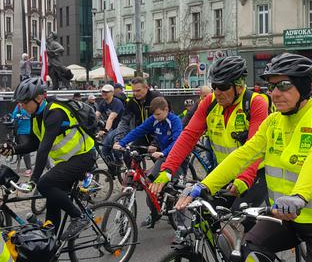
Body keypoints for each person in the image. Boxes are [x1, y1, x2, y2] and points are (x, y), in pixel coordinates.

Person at [175, 53, 312, 262]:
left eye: (284, 85)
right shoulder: (272, 122)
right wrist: (204, 185)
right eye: (271, 87)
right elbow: (243, 155)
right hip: (286, 217)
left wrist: (299, 196)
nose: (275, 94)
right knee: (250, 253)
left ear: (303, 86)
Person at [150, 56, 269, 210]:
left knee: (240, 217)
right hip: (224, 171)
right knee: (203, 213)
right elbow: (188, 136)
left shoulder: (255, 103)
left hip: (255, 173)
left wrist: (244, 178)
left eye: (223, 86)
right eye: (214, 86)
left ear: (239, 86)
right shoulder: (209, 102)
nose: (217, 92)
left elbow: (255, 149)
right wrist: (167, 170)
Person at [1, 78, 97, 239]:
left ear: (38, 98)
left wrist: (34, 180)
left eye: (25, 102)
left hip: (83, 157)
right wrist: (11, 150)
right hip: (66, 161)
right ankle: (50, 242)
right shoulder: (35, 115)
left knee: (45, 184)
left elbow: (44, 149)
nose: (22, 106)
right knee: (53, 199)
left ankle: (79, 216)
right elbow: (33, 144)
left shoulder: (55, 112)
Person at [115, 97, 183, 226]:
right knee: (150, 183)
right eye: (154, 115)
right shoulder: (154, 120)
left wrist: (163, 152)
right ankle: (154, 214)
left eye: (158, 114)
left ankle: (181, 226)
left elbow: (177, 142)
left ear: (166, 109)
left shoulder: (175, 121)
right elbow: (138, 131)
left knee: (174, 189)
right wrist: (122, 143)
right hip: (163, 155)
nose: (155, 117)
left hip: (177, 155)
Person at [113, 78, 165, 149]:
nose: (135, 93)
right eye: (133, 91)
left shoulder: (156, 98)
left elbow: (164, 122)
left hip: (159, 135)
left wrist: (155, 144)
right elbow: (124, 121)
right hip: (143, 134)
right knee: (129, 154)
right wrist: (118, 140)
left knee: (159, 158)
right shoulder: (132, 102)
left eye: (138, 90)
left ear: (146, 87)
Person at [11, 103, 33, 177]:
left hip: (33, 130)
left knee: (41, 148)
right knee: (26, 149)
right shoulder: (19, 106)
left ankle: (48, 167)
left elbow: (32, 115)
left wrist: (24, 115)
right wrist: (19, 113)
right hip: (22, 131)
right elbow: (14, 116)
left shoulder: (33, 104)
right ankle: (29, 169)